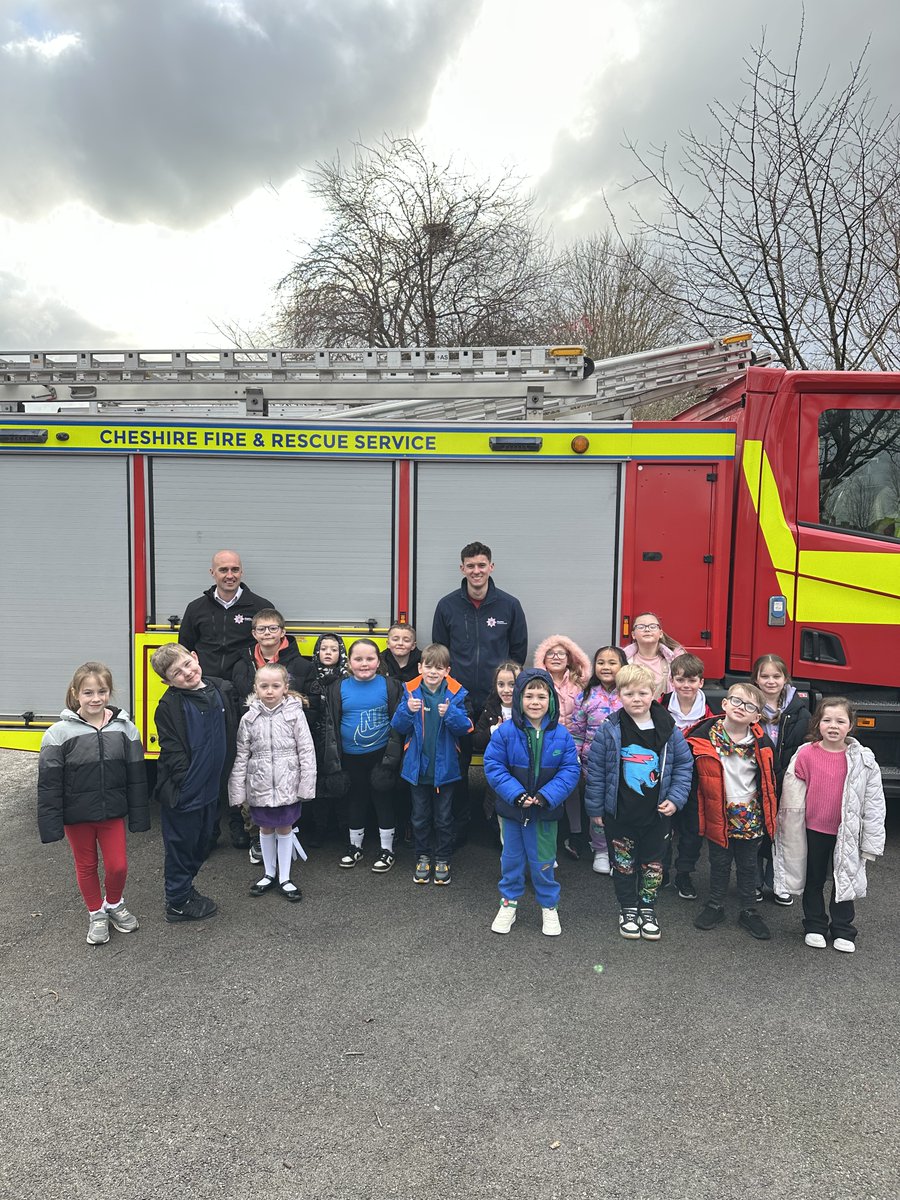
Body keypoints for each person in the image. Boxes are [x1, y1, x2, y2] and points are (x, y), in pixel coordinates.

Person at [38, 662, 149, 946]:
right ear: (76, 694)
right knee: (86, 865)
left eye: (102, 691)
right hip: (77, 816)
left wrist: (139, 815)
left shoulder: (126, 729)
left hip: (112, 812)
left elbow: (137, 777)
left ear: (110, 693)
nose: (95, 698)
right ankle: (96, 913)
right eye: (88, 692)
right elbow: (49, 783)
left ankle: (114, 904)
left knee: (118, 866)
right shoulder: (58, 733)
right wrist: (51, 824)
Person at [584, 665, 693, 942]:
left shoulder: (669, 729)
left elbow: (683, 766)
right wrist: (595, 809)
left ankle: (647, 908)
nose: (636, 698)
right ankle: (628, 908)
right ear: (619, 695)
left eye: (642, 693)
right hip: (620, 814)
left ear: (654, 694)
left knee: (653, 865)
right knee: (623, 865)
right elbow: (596, 771)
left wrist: (675, 799)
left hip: (656, 817)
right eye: (629, 693)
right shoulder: (610, 730)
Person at [773, 697, 886, 954]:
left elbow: (874, 802)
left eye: (840, 721)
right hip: (813, 831)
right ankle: (814, 925)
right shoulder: (805, 754)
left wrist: (871, 841)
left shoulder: (862, 759)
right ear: (818, 724)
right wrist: (785, 829)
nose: (833, 726)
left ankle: (843, 929)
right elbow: (791, 796)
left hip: (846, 832)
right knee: (813, 879)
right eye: (827, 720)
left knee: (843, 879)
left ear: (850, 725)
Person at [432, 541, 528, 837]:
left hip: (496, 700)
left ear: (491, 567)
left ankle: (499, 823)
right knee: (457, 763)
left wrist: (504, 689)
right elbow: (440, 654)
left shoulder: (509, 605)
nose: (476, 571)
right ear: (462, 568)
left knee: (504, 760)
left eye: (481, 565)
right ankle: (460, 826)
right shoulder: (447, 605)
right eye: (470, 566)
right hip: (458, 698)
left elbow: (518, 651)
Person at [483, 668, 580, 937]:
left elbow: (570, 770)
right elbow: (493, 766)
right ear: (518, 699)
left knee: (544, 861)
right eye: (529, 696)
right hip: (512, 811)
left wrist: (546, 796)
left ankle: (549, 906)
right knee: (511, 860)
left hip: (545, 812)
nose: (535, 702)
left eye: (541, 696)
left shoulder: (562, 735)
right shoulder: (504, 733)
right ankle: (508, 903)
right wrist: (516, 794)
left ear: (551, 700)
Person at [150, 644, 239, 922]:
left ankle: (186, 889)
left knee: (201, 844)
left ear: (196, 658)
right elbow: (172, 749)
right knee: (181, 846)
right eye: (177, 673)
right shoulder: (169, 706)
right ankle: (176, 902)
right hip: (185, 792)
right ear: (167, 681)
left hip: (213, 788)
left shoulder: (220, 689)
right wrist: (185, 781)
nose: (187, 673)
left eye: (188, 664)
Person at [688, 683, 778, 941]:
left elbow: (771, 780)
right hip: (719, 812)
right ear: (725, 704)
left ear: (756, 717)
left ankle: (749, 910)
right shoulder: (703, 739)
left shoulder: (762, 744)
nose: (741, 708)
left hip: (751, 815)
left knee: (749, 865)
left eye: (750, 706)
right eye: (737, 701)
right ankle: (715, 905)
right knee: (719, 862)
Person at [228, 664, 317, 903]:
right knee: (265, 828)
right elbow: (241, 755)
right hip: (260, 785)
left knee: (285, 827)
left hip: (288, 784)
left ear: (285, 688)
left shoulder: (294, 714)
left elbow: (306, 750)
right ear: (255, 687)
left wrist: (306, 785)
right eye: (264, 686)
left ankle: (285, 877)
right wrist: (237, 791)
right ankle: (269, 873)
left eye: (276, 686)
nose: (269, 691)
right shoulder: (249, 718)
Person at [390, 643, 472, 886]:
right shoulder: (410, 692)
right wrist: (407, 709)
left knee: (444, 817)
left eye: (439, 667)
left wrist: (452, 714)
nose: (433, 672)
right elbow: (398, 726)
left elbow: (466, 728)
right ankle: (423, 856)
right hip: (418, 769)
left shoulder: (456, 694)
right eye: (428, 666)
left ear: (447, 670)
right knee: (419, 816)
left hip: (445, 769)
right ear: (420, 667)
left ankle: (443, 857)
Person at [321, 638, 403, 872]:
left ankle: (387, 849)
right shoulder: (338, 687)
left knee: (383, 799)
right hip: (351, 756)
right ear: (350, 662)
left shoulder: (391, 686)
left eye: (370, 659)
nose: (364, 664)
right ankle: (354, 846)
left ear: (379, 662)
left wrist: (391, 758)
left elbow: (398, 724)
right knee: (355, 799)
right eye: (358, 659)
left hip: (381, 755)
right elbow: (331, 725)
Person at [750, 653, 812, 906]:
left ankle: (778, 882)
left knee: (783, 832)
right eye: (764, 676)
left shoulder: (800, 712)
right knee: (753, 831)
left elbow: (805, 747)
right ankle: (753, 881)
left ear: (786, 678)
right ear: (755, 678)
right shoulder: (748, 706)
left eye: (776, 676)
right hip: (754, 780)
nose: (770, 681)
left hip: (787, 781)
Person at [658, 652, 714, 900]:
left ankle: (684, 874)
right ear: (672, 681)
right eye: (680, 680)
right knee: (662, 827)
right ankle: (660, 872)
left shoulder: (711, 714)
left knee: (693, 830)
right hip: (664, 777)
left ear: (701, 682)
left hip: (696, 781)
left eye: (692, 681)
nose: (686, 686)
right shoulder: (660, 705)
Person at [533, 634, 591, 862]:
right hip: (546, 744)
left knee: (572, 788)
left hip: (573, 745)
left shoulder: (580, 684)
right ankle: (546, 839)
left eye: (561, 653)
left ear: (570, 658)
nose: (556, 657)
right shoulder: (537, 683)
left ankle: (576, 834)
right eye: (550, 653)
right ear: (543, 659)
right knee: (544, 786)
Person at [569, 646, 626, 875]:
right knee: (597, 808)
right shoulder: (586, 695)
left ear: (623, 666)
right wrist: (575, 757)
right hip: (593, 763)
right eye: (601, 662)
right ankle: (601, 850)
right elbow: (576, 732)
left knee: (621, 807)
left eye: (613, 662)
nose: (606, 667)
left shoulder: (630, 693)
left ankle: (620, 851)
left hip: (624, 763)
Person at [178, 549, 274, 681]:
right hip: (205, 684)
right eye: (223, 570)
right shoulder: (195, 608)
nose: (230, 576)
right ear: (212, 573)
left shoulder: (261, 608)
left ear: (241, 572)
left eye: (235, 570)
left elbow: (273, 648)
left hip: (246, 684)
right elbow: (185, 650)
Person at [473, 660, 521, 840]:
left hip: (522, 770)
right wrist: (493, 730)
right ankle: (506, 846)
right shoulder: (491, 710)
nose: (506, 690)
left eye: (512, 684)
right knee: (499, 808)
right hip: (499, 772)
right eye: (501, 684)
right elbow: (476, 740)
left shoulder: (528, 709)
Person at [232, 608, 314, 702]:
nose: (267, 632)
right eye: (261, 629)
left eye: (273, 628)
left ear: (283, 632)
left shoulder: (304, 667)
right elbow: (235, 703)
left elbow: (312, 705)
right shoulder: (241, 667)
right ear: (254, 634)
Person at [622, 611, 684, 699]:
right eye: (641, 627)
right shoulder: (624, 661)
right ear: (633, 635)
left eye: (652, 626)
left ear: (660, 633)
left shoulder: (673, 661)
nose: (647, 630)